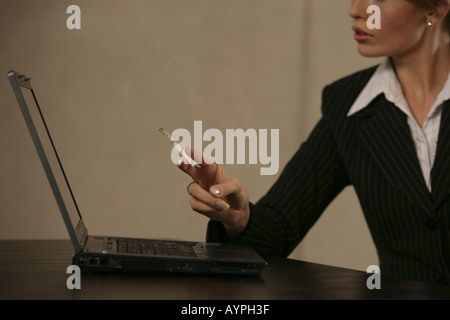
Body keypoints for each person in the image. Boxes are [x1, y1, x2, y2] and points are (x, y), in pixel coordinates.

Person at [178, 0, 450, 285]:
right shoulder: (347, 106)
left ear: (435, 10)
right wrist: (239, 217)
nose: (356, 10)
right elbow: (278, 231)